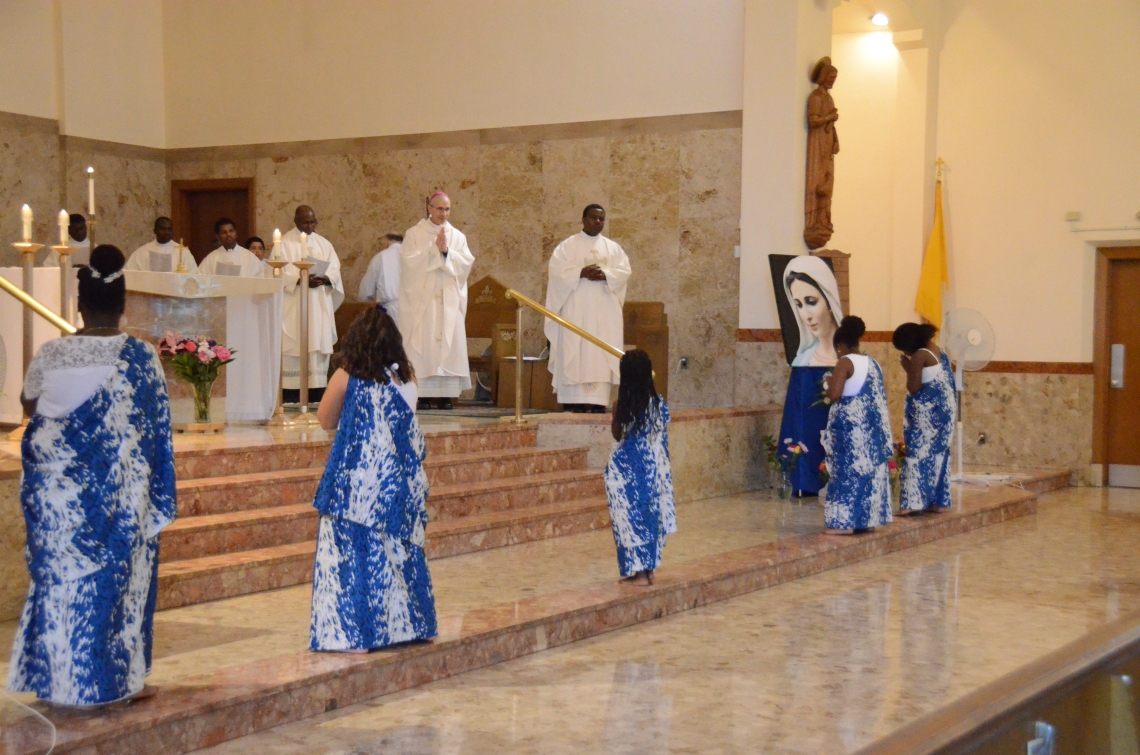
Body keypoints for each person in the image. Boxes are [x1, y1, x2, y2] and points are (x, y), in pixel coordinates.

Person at [7, 245, 176, 706]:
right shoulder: (141, 358)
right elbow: (157, 430)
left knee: (60, 587)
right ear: (124, 305)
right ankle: (115, 683)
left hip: (58, 499)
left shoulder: (51, 353)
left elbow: (31, 407)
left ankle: (55, 682)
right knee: (116, 592)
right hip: (121, 501)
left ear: (78, 305)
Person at [309, 306, 436, 652]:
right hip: (395, 481)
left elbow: (324, 420)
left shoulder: (347, 375)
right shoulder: (407, 378)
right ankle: (406, 626)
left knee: (353, 557)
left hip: (353, 483)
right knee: (397, 554)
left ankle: (352, 634)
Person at [545, 204, 631, 413]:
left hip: (604, 314)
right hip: (575, 312)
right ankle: (574, 401)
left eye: (601, 219)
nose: (597, 222)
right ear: (583, 220)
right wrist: (579, 272)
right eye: (593, 218)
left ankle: (597, 401)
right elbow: (557, 271)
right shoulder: (567, 246)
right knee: (575, 347)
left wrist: (606, 275)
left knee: (599, 352)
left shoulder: (613, 249)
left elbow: (624, 271)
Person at [605, 350, 676, 586]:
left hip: (625, 472)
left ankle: (639, 574)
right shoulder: (659, 403)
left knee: (628, 522)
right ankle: (649, 570)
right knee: (649, 517)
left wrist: (616, 411)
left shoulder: (624, 405)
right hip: (653, 469)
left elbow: (617, 434)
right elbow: (662, 436)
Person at [399, 192, 474, 411]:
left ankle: (445, 396)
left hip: (448, 300)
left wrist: (447, 252)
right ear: (429, 208)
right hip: (425, 302)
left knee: (447, 343)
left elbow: (465, 264)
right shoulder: (414, 234)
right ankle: (421, 394)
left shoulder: (457, 236)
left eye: (447, 209)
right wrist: (434, 251)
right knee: (424, 342)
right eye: (439, 209)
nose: (444, 213)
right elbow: (409, 264)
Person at [821, 316, 893, 535]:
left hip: (852, 433)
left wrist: (827, 384)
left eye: (836, 349)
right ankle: (865, 521)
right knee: (868, 476)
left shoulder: (845, 362)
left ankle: (843, 525)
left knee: (847, 474)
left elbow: (834, 394)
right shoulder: (873, 363)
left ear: (840, 346)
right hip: (873, 433)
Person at [277, 205, 344, 404]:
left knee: (316, 346)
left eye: (313, 222)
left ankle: (316, 395)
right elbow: (276, 273)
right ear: (296, 221)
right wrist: (298, 280)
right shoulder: (283, 243)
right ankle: (291, 397)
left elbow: (335, 270)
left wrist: (325, 279)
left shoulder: (324, 244)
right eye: (306, 222)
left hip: (317, 304)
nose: (311, 226)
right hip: (294, 305)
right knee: (295, 345)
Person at [893, 322, 956, 515]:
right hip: (945, 413)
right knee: (938, 455)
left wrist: (909, 367)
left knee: (918, 454)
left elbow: (914, 387)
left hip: (928, 417)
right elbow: (932, 378)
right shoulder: (938, 350)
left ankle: (911, 504)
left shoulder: (920, 355)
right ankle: (937, 502)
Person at [783, 255, 843, 367]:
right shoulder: (801, 362)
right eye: (799, 305)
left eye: (811, 302)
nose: (806, 316)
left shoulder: (854, 360)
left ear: (829, 300)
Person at [358, 233, 404, 323]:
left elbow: (367, 289)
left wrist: (363, 305)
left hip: (390, 312)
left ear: (387, 243)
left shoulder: (380, 257)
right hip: (413, 310)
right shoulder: (412, 256)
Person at [125, 217, 198, 273]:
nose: (166, 232)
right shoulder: (142, 252)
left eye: (169, 229)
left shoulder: (182, 251)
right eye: (162, 229)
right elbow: (129, 274)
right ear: (155, 231)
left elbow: (193, 274)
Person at [198, 218, 265, 277]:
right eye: (224, 232)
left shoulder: (249, 257)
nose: (228, 234)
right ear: (218, 237)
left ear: (236, 233)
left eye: (231, 231)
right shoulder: (211, 259)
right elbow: (201, 280)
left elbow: (259, 278)